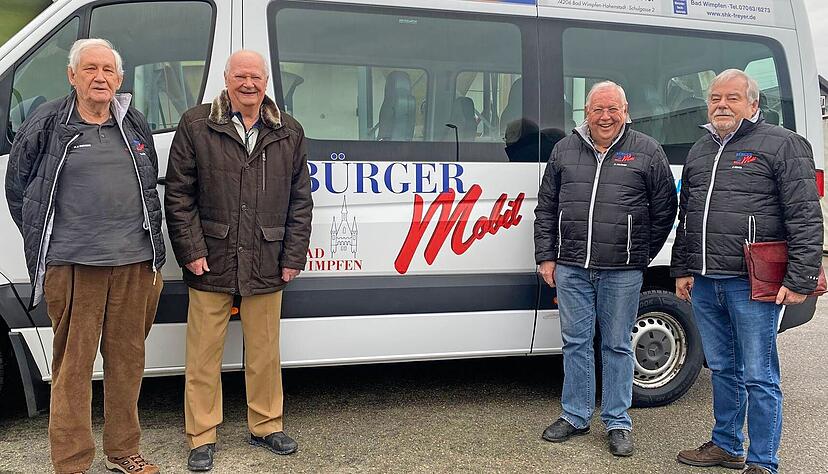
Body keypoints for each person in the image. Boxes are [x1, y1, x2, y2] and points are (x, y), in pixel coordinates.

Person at [5, 38, 165, 474]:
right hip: (75, 266)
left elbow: (148, 184)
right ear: (72, 75)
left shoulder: (132, 120)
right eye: (90, 69)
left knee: (128, 364)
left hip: (134, 262)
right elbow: (20, 190)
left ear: (120, 78)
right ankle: (72, 462)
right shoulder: (49, 122)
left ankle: (122, 452)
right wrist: (51, 245)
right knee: (73, 370)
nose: (100, 78)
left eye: (108, 71)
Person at [164, 49, 313, 472]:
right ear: (226, 80)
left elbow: (300, 200)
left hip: (267, 255)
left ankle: (266, 424)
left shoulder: (289, 131)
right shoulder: (196, 124)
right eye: (240, 76)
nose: (248, 84)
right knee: (203, 354)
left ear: (267, 82)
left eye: (256, 77)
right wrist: (191, 251)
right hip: (210, 258)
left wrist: (292, 256)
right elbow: (178, 195)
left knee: (265, 351)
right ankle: (201, 436)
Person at [672, 69, 822, 474]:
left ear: (753, 104)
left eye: (733, 98)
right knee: (722, 368)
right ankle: (726, 445)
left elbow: (806, 216)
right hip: (706, 281)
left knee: (759, 375)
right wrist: (683, 268)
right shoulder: (701, 149)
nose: (722, 105)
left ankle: (762, 461)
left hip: (752, 284)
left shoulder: (783, 144)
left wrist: (800, 279)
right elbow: (688, 216)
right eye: (715, 98)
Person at [534, 81, 677, 457]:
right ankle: (576, 414)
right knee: (576, 344)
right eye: (598, 109)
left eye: (613, 109)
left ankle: (617, 421)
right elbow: (546, 208)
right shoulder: (565, 149)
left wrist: (639, 253)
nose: (605, 116)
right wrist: (546, 256)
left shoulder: (647, 151)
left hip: (622, 270)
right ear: (586, 112)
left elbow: (665, 210)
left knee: (616, 345)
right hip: (571, 267)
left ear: (626, 111)